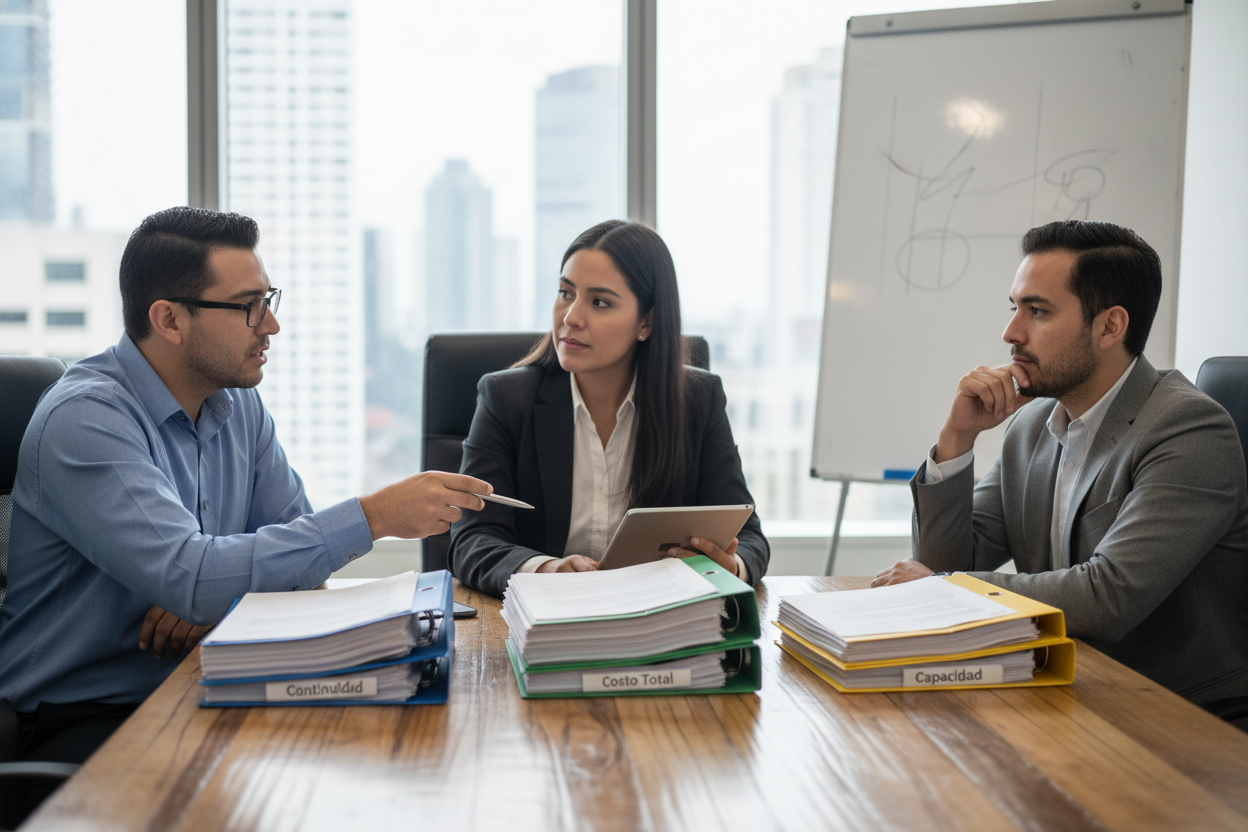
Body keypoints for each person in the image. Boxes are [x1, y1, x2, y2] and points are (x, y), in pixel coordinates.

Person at [0, 207, 491, 768]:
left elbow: (287, 563)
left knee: (389, 753)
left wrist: (216, 597)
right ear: (170, 320)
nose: (271, 325)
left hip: (208, 678)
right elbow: (198, 576)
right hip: (86, 714)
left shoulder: (238, 404)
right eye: (248, 307)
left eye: (269, 299)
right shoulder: (85, 419)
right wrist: (374, 515)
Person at [872, 220, 1248, 705]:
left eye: (1038, 311)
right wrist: (956, 438)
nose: (1011, 332)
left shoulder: (1189, 430)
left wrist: (946, 588)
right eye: (1015, 308)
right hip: (1071, 691)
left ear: (1110, 326)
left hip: (1177, 714)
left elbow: (1108, 596)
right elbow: (945, 563)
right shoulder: (1032, 427)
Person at [448, 220, 769, 597]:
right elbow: (471, 541)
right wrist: (547, 569)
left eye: (599, 302)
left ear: (646, 322)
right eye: (566, 293)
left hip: (656, 620)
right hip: (544, 620)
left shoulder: (697, 400)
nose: (571, 318)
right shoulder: (506, 398)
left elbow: (748, 537)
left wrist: (730, 565)